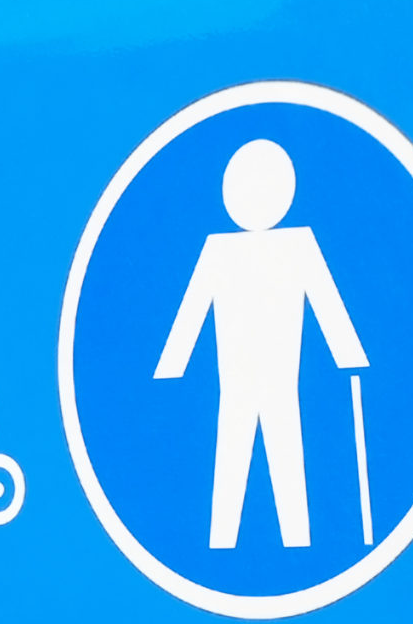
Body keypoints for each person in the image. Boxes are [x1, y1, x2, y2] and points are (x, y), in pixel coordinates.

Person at [153, 138, 368, 548]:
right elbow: (192, 310)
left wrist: (348, 353)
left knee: (285, 450)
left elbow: (326, 303)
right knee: (232, 455)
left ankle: (297, 542)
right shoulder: (219, 251)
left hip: (281, 379)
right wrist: (172, 364)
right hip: (234, 381)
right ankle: (222, 543)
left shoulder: (297, 245)